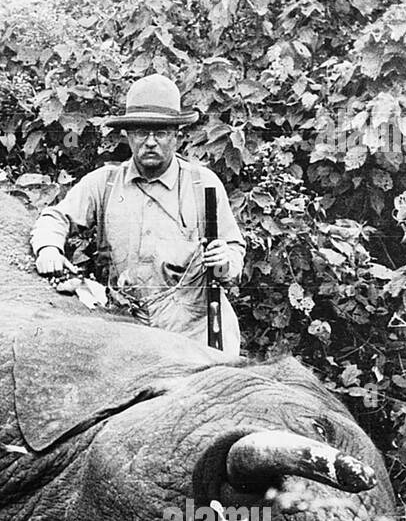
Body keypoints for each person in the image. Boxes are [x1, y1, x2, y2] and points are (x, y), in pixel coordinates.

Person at [30, 73, 246, 355]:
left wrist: (226, 260)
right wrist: (48, 248)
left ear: (176, 137)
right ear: (129, 136)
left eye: (161, 132)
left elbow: (233, 252)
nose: (151, 142)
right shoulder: (105, 183)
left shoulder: (201, 184)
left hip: (196, 332)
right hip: (129, 335)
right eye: (142, 132)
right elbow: (55, 218)